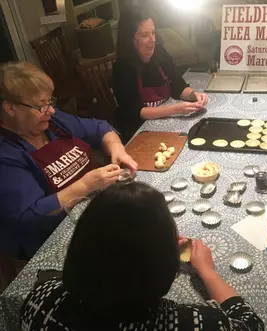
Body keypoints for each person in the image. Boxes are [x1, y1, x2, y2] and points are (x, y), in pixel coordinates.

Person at [20, 182, 265, 331]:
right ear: (163, 268)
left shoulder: (40, 297)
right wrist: (208, 272)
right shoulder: (192, 323)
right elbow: (250, 324)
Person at [0, 62, 137, 260]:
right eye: (41, 105)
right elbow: (30, 216)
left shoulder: (52, 123)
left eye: (50, 102)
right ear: (10, 109)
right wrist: (85, 185)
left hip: (97, 212)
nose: (51, 111)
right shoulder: (6, 156)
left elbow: (100, 128)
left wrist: (118, 150)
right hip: (53, 241)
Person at [113, 5, 208, 143]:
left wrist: (194, 95)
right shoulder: (122, 68)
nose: (152, 40)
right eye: (145, 35)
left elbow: (179, 87)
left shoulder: (160, 53)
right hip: (138, 130)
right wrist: (175, 109)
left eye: (153, 32)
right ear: (131, 40)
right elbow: (137, 112)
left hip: (166, 121)